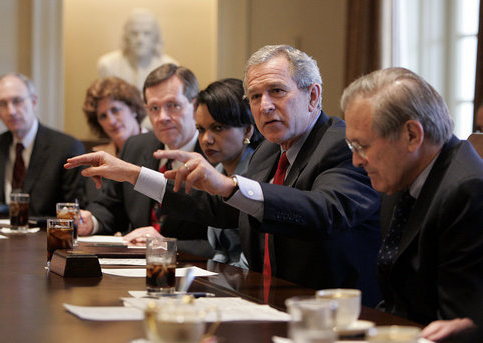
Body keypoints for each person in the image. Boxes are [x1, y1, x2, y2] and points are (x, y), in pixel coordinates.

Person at [66, 45, 382, 306]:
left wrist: (229, 187)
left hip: (332, 309)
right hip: (267, 301)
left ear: (313, 96)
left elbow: (326, 211)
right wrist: (133, 174)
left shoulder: (340, 144)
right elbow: (221, 207)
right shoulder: (270, 150)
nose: (265, 106)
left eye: (276, 91)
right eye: (255, 97)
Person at [341, 67, 483, 328]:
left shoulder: (467, 192)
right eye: (352, 146)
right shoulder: (399, 177)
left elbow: (458, 323)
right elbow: (396, 299)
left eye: (362, 146)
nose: (356, 161)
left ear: (411, 135)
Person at [123, 78, 263, 268]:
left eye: (218, 128)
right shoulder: (218, 170)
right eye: (201, 129)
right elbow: (219, 252)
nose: (207, 139)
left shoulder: (259, 174)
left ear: (247, 130)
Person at [79, 63, 213, 258]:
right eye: (154, 108)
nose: (162, 117)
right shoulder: (136, 147)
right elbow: (110, 207)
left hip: (195, 272)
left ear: (195, 106)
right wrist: (90, 221)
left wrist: (166, 245)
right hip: (133, 270)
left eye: (173, 105)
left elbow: (223, 243)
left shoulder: (215, 151)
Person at [0, 73, 86, 216]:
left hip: (47, 234)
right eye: (2, 104)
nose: (11, 111)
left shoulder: (66, 148)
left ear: (34, 101)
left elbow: (75, 210)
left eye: (17, 101)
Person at [97, 8, 177, 96]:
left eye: (147, 33)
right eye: (134, 33)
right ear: (126, 35)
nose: (140, 40)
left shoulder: (169, 66)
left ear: (155, 36)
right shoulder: (108, 65)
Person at [83, 76, 148, 157]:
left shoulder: (160, 147)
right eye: (103, 116)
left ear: (133, 108)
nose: (111, 121)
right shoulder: (96, 158)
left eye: (115, 110)